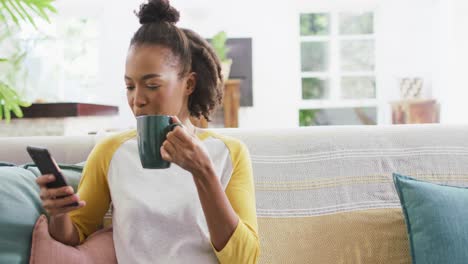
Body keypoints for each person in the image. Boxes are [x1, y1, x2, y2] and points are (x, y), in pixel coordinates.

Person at [34, 0, 260, 263]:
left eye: (152, 85)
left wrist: (204, 172)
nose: (137, 99)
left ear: (189, 84)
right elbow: (75, 234)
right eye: (130, 86)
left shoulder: (229, 153)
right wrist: (59, 214)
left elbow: (246, 259)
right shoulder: (110, 151)